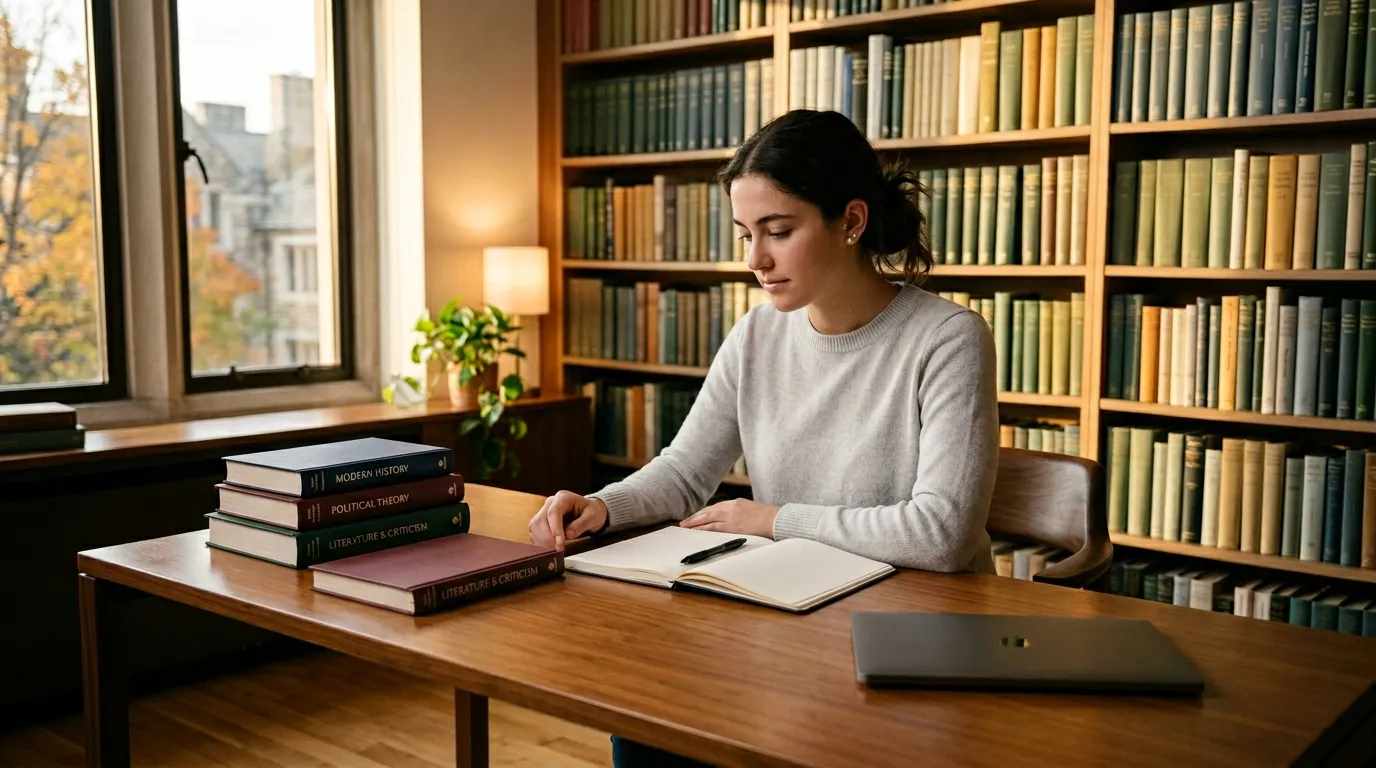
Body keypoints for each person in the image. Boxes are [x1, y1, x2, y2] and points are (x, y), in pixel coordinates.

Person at [529, 108, 999, 768]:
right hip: (795, 610)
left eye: (778, 231)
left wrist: (773, 519)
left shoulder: (948, 339)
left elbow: (942, 533)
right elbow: (685, 471)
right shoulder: (756, 335)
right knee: (646, 727)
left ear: (851, 222)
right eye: (746, 234)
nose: (756, 260)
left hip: (915, 633)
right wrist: (603, 507)